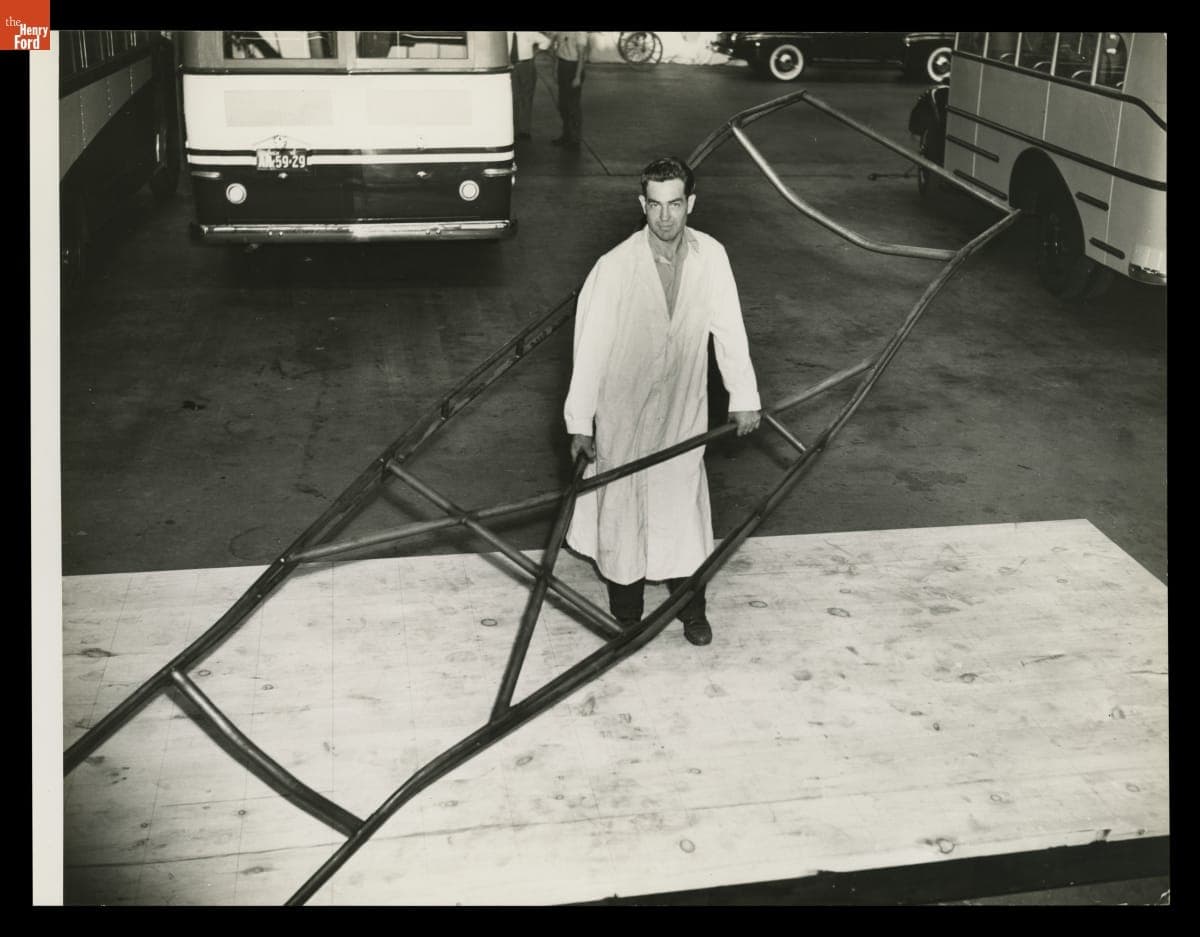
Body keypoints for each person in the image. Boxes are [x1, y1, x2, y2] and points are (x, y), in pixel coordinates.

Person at [563, 156, 762, 646]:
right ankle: (626, 616)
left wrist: (744, 395)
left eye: (675, 204)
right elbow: (588, 348)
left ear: (690, 203)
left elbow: (729, 330)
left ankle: (691, 610)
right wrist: (580, 422)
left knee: (682, 507)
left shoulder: (711, 256)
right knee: (623, 506)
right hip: (623, 408)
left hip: (681, 407)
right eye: (655, 205)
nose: (666, 217)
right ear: (642, 205)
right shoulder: (614, 267)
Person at [550, 31, 590, 150]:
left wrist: (577, 76)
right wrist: (556, 70)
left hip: (574, 67)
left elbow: (581, 56)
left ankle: (575, 139)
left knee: (573, 105)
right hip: (563, 66)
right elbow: (558, 51)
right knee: (563, 105)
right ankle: (566, 135)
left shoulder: (580, 33)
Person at [507, 31, 548, 141]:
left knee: (526, 97)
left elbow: (546, 41)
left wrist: (535, 53)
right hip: (510, 66)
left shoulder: (529, 32)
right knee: (513, 98)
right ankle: (514, 131)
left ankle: (524, 131)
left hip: (526, 66)